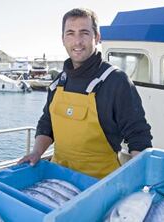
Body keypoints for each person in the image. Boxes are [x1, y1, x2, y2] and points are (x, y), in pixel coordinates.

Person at [18, 8, 152, 179]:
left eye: (84, 33)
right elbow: (47, 123)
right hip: (58, 176)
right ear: (63, 39)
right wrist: (36, 152)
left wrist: (140, 178)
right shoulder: (59, 81)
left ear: (97, 37)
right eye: (70, 33)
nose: (77, 41)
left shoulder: (116, 81)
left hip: (99, 183)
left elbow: (138, 135)